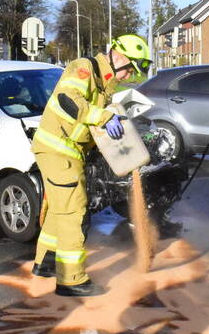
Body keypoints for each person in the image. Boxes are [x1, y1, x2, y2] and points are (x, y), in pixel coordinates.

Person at [30, 34, 152, 296]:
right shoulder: (84, 69)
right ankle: (71, 279)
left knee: (59, 208)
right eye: (129, 68)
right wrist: (103, 117)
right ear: (117, 56)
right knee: (74, 211)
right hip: (58, 149)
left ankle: (46, 262)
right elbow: (68, 100)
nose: (128, 75)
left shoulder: (103, 84)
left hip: (66, 150)